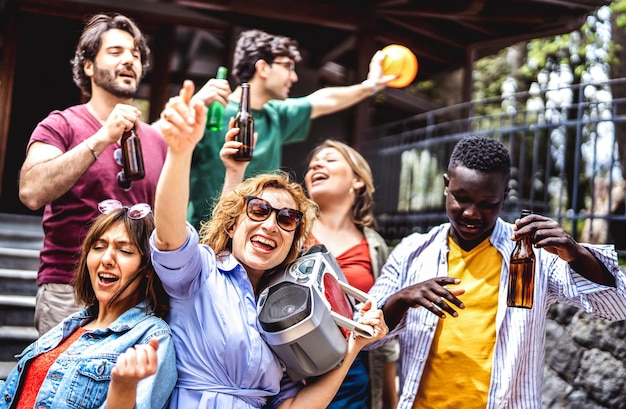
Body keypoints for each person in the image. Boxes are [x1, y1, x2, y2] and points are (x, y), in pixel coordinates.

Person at [150, 80, 389, 408]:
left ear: (293, 243)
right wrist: (180, 152)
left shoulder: (285, 308)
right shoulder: (201, 272)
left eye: (287, 218)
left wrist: (354, 348)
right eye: (259, 210)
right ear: (234, 225)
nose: (270, 224)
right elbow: (168, 232)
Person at [365, 135, 626, 409]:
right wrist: (403, 299)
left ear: (504, 196)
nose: (471, 213)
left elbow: (618, 307)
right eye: (461, 198)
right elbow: (365, 336)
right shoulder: (411, 252)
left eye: (487, 203)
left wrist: (577, 253)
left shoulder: (533, 255)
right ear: (446, 186)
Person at [17, 13, 229, 335]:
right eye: (116, 52)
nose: (130, 60)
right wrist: (102, 137)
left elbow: (166, 219)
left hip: (139, 296)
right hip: (70, 290)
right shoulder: (62, 124)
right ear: (88, 66)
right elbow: (31, 191)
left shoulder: (157, 139)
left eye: (136, 54)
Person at [188, 28, 397, 228]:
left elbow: (324, 100)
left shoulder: (276, 114)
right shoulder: (209, 112)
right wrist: (192, 107)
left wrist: (371, 86)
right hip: (205, 240)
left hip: (258, 239)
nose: (294, 77)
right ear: (262, 68)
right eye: (287, 66)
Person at [0, 200, 177, 409]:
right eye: (99, 247)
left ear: (148, 268)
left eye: (125, 251)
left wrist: (122, 389)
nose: (107, 259)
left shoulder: (152, 339)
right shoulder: (69, 326)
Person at [303, 140, 399, 409]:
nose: (316, 165)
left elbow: (385, 340)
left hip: (355, 382)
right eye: (313, 164)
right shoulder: (290, 230)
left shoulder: (376, 246)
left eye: (330, 159)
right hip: (293, 377)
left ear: (357, 181)